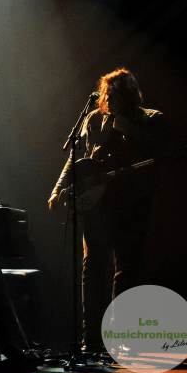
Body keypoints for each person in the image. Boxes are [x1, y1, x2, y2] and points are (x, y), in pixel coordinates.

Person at [48, 68, 167, 353]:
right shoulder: (93, 118)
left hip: (132, 204)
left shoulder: (152, 119)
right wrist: (58, 188)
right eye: (105, 94)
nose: (108, 99)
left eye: (114, 94)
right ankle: (91, 340)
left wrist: (130, 131)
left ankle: (120, 339)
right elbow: (77, 158)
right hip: (97, 205)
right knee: (93, 268)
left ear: (128, 94)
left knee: (126, 269)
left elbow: (160, 152)